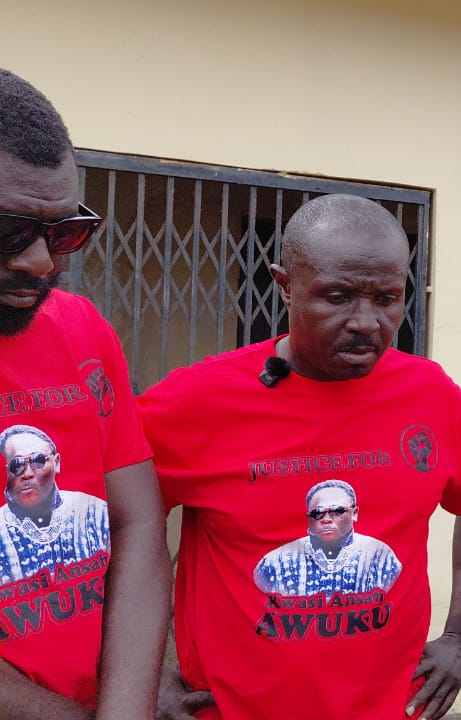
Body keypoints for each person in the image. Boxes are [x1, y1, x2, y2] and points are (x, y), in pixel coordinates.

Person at [139, 194, 461, 720]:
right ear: (285, 285)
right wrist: (144, 670)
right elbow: (116, 527)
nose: (366, 321)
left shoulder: (430, 395)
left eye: (387, 298)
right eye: (338, 296)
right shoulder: (194, 402)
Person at [0, 68, 169, 720]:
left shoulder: (80, 330)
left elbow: (138, 524)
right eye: (9, 230)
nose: (42, 261)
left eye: (65, 231)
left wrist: (124, 709)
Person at [0, 425, 112, 583]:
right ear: (8, 472)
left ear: (56, 462)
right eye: (16, 465)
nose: (27, 474)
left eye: (38, 460)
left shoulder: (94, 512)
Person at [253, 479, 403, 597]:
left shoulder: (380, 555)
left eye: (337, 511)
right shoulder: (275, 562)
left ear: (355, 513)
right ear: (309, 518)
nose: (326, 519)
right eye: (317, 513)